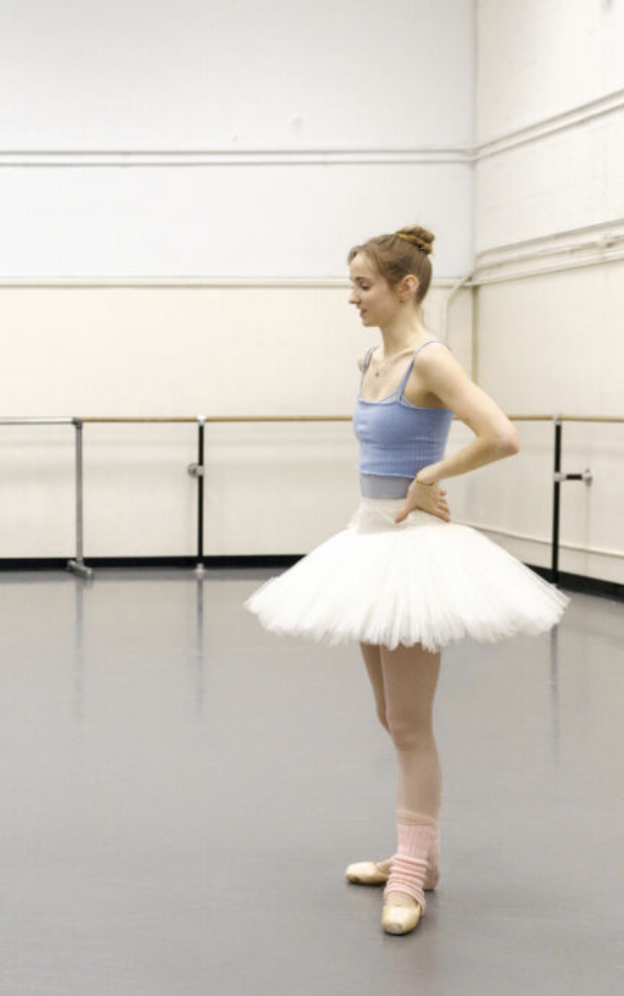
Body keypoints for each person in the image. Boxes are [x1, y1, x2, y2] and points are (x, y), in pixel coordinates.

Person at [244, 225, 567, 935]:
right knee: (391, 718)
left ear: (405, 286)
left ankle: (411, 876)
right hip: (367, 544)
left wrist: (430, 475)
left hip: (412, 553)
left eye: (363, 286)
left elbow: (502, 435)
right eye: (352, 285)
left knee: (413, 726)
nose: (352, 298)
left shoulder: (432, 359)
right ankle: (421, 854)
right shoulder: (370, 358)